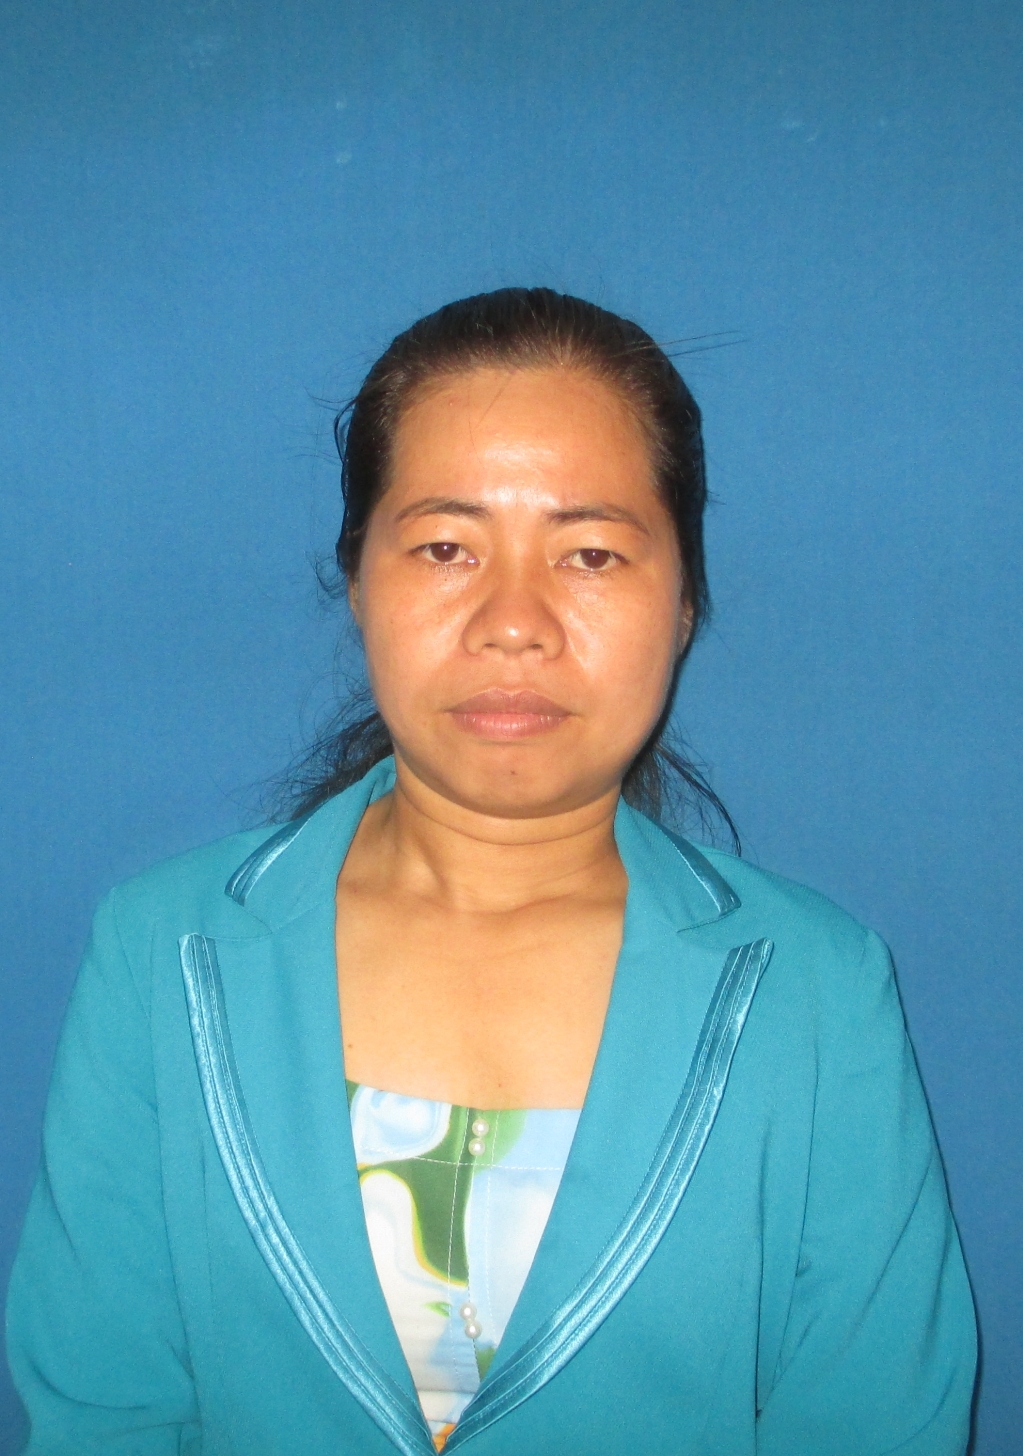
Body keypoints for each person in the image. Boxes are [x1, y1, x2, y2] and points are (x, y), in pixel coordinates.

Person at [7, 288, 977, 1455]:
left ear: (684, 601)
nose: (514, 621)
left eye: (591, 552)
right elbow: (104, 1411)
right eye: (446, 547)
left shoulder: (820, 993)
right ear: (358, 579)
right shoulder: (161, 954)